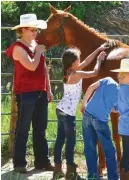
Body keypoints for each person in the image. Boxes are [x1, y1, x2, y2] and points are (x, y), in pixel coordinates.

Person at [5, 14, 54, 173]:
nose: (35, 32)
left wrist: (49, 88)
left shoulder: (36, 44)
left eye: (36, 29)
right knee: (23, 128)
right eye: (32, 30)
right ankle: (19, 164)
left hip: (40, 91)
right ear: (23, 30)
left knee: (40, 128)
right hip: (25, 93)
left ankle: (42, 161)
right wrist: (39, 52)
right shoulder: (18, 48)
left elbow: (43, 68)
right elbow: (32, 66)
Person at [53, 44, 108, 180]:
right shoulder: (77, 73)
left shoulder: (68, 71)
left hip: (61, 110)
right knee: (70, 142)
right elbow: (95, 72)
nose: (80, 60)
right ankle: (71, 174)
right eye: (78, 59)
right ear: (74, 62)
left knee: (60, 140)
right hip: (68, 114)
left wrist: (98, 49)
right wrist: (100, 60)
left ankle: (57, 170)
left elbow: (86, 61)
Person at [81, 77, 119, 180]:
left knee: (90, 149)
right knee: (109, 151)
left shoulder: (108, 80)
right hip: (100, 120)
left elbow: (91, 87)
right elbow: (114, 110)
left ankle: (92, 177)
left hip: (87, 115)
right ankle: (113, 178)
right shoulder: (120, 94)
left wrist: (83, 103)